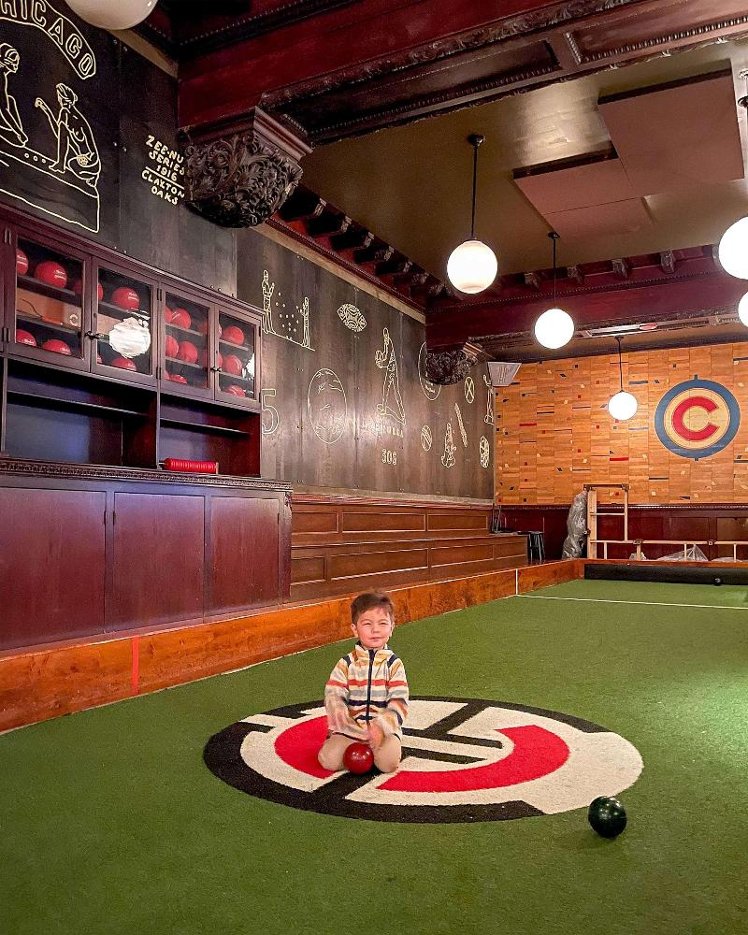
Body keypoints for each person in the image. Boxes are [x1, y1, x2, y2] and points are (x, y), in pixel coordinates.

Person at [318, 590, 408, 773]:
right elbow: (333, 693)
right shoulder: (346, 663)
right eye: (367, 624)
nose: (375, 630)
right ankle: (343, 743)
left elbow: (399, 702)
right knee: (328, 761)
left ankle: (385, 749)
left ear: (392, 628)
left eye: (382, 623)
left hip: (383, 731)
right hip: (350, 730)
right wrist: (340, 715)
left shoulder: (394, 665)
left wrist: (381, 727)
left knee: (388, 764)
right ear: (354, 629)